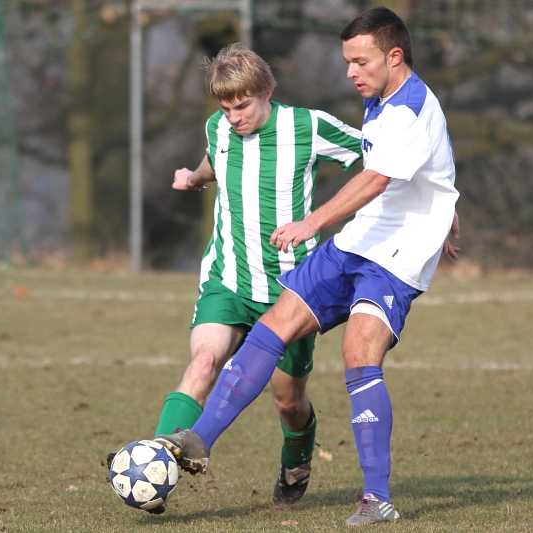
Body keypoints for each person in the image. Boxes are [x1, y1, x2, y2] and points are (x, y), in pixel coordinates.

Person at [154, 7, 460, 526]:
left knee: (357, 353)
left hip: (398, 253)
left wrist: (312, 222)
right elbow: (433, 160)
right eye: (347, 61)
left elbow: (376, 177)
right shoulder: (382, 96)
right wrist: (448, 201)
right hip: (361, 236)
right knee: (274, 324)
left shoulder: (407, 109)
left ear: (394, 56)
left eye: (360, 62)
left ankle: (377, 498)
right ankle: (197, 440)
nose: (350, 72)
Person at [136, 43, 364, 513]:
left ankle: (297, 461)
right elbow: (214, 161)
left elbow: (383, 162)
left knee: (287, 402)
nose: (234, 118)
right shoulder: (217, 127)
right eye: (226, 108)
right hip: (228, 278)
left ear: (267, 93)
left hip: (292, 292)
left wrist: (437, 205)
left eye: (243, 106)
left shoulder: (308, 126)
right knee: (203, 364)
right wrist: (193, 177)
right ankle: (156, 470)